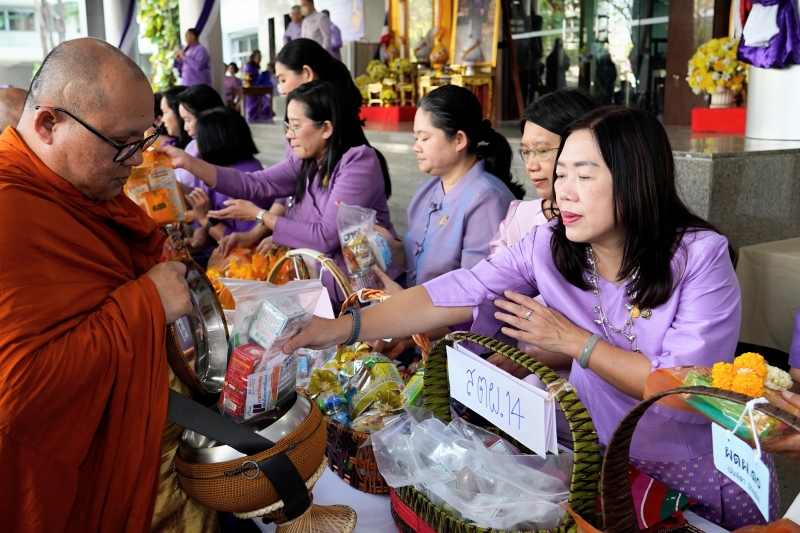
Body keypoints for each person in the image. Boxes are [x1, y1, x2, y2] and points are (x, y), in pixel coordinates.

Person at [285, 106, 781, 529]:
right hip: (596, 453)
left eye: (584, 176)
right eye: (561, 173)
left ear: (635, 180)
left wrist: (576, 343)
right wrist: (342, 326)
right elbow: (453, 292)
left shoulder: (700, 257)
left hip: (686, 462)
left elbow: (681, 393)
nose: (563, 190)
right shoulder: (550, 244)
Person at [0, 37, 204, 531]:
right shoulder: (12, 213)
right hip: (81, 472)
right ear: (50, 124)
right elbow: (17, 396)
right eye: (123, 144)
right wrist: (148, 302)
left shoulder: (79, 188)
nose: (136, 161)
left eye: (145, 139)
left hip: (149, 433)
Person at [158, 80, 401, 309]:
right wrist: (188, 162)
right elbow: (253, 184)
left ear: (326, 128)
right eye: (288, 126)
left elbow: (326, 236)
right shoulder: (306, 162)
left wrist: (261, 215)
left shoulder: (358, 162)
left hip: (365, 292)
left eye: (295, 125)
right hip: (322, 287)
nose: (289, 135)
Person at [400, 84, 523, 290]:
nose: (416, 147)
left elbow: (476, 293)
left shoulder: (487, 199)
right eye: (415, 138)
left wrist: (401, 299)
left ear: (459, 140)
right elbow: (415, 261)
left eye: (424, 138)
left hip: (450, 321)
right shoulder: (427, 191)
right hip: (417, 314)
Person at [183, 107, 269, 266]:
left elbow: (243, 243)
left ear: (214, 141)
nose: (197, 148)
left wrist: (204, 220)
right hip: (216, 252)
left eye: (199, 141)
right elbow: (202, 210)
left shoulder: (249, 177)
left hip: (247, 264)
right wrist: (199, 239)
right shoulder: (212, 170)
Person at [174, 85, 225, 185]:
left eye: (188, 120)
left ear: (207, 116)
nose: (185, 127)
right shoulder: (192, 145)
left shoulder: (220, 154)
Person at [243, 49, 273, 123]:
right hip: (250, 90)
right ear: (253, 57)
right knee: (252, 108)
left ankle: (263, 119)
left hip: (257, 89)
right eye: (257, 57)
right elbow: (248, 78)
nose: (259, 59)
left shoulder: (257, 67)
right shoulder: (249, 66)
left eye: (260, 57)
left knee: (265, 103)